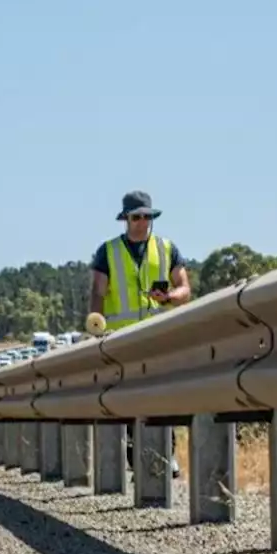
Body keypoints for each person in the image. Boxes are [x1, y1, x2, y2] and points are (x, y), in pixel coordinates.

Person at [89, 190, 192, 478]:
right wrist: (96, 327)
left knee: (162, 396)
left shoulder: (167, 248)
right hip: (121, 339)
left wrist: (169, 296)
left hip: (158, 336)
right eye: (137, 217)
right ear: (125, 219)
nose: (142, 222)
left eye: (147, 216)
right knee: (131, 398)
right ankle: (138, 461)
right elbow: (98, 292)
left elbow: (185, 289)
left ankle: (166, 455)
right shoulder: (107, 251)